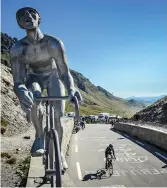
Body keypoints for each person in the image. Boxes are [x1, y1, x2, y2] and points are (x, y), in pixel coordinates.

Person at [10, 7, 82, 172]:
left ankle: (60, 155)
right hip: (34, 77)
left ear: (38, 19)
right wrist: (21, 91)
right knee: (32, 92)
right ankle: (39, 136)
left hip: (54, 76)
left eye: (31, 13)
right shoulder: (17, 49)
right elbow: (18, 81)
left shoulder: (53, 43)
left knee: (58, 118)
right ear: (20, 23)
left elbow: (65, 72)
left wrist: (71, 88)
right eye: (22, 15)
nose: (27, 16)